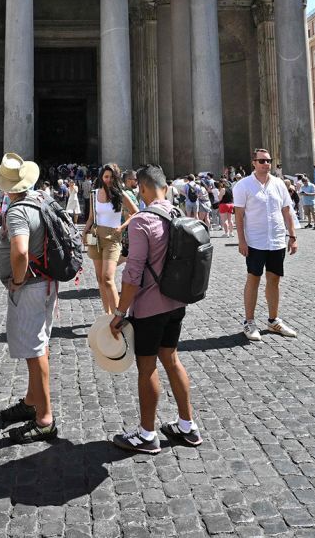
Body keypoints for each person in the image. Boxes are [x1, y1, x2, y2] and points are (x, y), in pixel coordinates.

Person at [108, 164, 201, 454]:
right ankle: (188, 427)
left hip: (149, 307)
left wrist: (120, 312)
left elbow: (133, 273)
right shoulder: (177, 214)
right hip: (176, 301)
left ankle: (147, 434)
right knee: (172, 360)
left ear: (144, 188)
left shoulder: (141, 221)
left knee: (146, 368)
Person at [0, 152, 58, 444]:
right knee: (38, 344)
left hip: (29, 285)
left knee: (34, 351)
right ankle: (32, 401)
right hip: (46, 282)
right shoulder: (42, 200)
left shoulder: (17, 211)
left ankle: (44, 419)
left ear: (6, 187)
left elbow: (20, 252)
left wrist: (17, 280)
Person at [232, 148, 299, 342]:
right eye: (261, 161)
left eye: (268, 160)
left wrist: (292, 236)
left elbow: (287, 211)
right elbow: (238, 215)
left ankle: (273, 320)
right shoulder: (243, 186)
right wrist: (241, 241)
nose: (266, 164)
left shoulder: (279, 184)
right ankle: (249, 322)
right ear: (253, 163)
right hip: (255, 240)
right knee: (253, 278)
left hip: (276, 239)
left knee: (274, 279)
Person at [81, 163, 139, 315]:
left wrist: (122, 227)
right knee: (100, 279)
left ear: (116, 178)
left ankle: (118, 316)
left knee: (107, 278)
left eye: (112, 177)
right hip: (96, 238)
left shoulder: (121, 194)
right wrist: (84, 232)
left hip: (113, 239)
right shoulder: (94, 194)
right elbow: (91, 218)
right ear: (101, 177)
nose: (108, 180)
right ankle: (107, 314)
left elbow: (136, 212)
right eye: (106, 176)